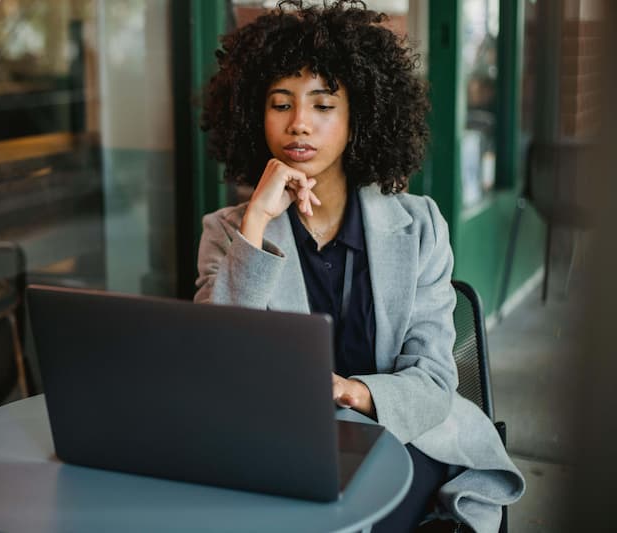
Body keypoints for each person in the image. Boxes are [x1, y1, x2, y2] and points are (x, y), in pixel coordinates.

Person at [194, 1, 524, 531]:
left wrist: (354, 392)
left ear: (359, 118)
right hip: (284, 448)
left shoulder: (420, 227)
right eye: (280, 104)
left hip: (403, 436)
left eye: (323, 105)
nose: (299, 123)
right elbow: (217, 366)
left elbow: (436, 380)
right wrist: (256, 219)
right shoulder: (229, 231)